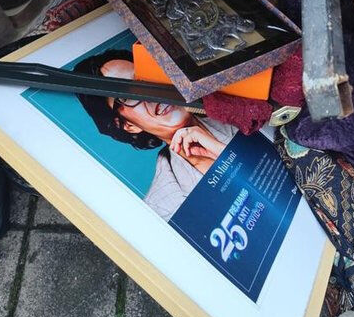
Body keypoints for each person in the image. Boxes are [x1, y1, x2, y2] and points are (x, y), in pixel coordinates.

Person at [75, 49, 236, 220]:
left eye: (145, 79)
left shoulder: (236, 107)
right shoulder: (163, 207)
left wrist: (225, 153)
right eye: (129, 95)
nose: (152, 94)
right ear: (127, 125)